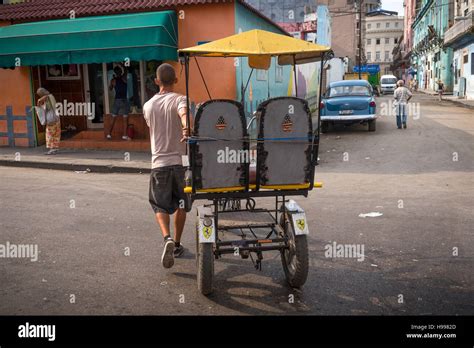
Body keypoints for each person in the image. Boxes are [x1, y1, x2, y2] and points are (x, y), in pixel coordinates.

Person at [143, 63, 193, 269]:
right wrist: (186, 126)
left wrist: (184, 123)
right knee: (182, 203)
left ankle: (167, 239)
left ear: (156, 81)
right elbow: (183, 113)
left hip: (159, 164)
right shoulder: (181, 99)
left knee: (158, 204)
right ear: (176, 80)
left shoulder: (148, 106)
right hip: (181, 163)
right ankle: (178, 243)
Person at [107, 66, 130, 140]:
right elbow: (126, 70)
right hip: (124, 100)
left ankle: (109, 134)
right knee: (125, 118)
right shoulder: (124, 78)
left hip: (117, 100)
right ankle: (124, 135)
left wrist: (112, 82)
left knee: (113, 117)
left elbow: (110, 89)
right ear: (120, 71)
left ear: (115, 73)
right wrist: (122, 64)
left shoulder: (113, 80)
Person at [37, 88, 60, 155]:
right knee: (56, 133)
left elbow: (40, 101)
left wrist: (39, 102)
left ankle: (52, 149)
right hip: (56, 117)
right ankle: (55, 148)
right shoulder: (51, 96)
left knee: (49, 134)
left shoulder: (47, 97)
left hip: (51, 118)